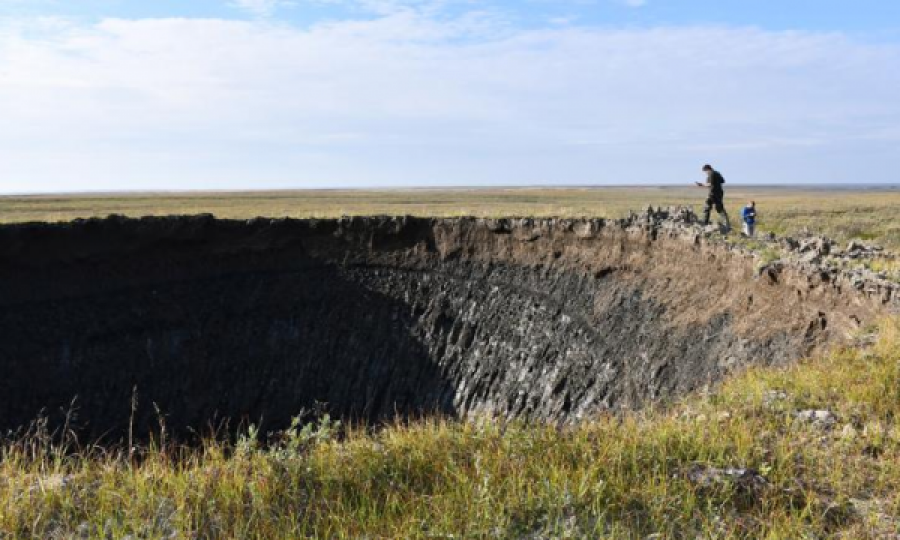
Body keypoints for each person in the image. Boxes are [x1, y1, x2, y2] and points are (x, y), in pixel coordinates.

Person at [695, 164, 730, 231]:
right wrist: (716, 183)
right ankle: (727, 224)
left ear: (707, 169)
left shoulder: (711, 174)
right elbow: (723, 181)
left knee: (707, 207)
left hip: (713, 193)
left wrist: (701, 184)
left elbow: (710, 184)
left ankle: (705, 223)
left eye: (705, 171)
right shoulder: (717, 173)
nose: (705, 173)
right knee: (719, 208)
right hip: (719, 193)